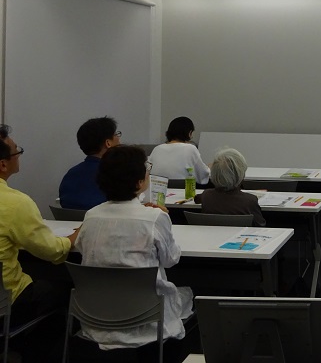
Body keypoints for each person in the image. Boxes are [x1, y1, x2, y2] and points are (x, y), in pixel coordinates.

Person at [76, 145, 193, 356]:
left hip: (97, 318)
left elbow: (82, 248)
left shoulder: (91, 216)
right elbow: (171, 259)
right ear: (139, 182)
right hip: (148, 319)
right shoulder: (155, 217)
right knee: (189, 294)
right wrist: (164, 220)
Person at [0, 124, 79, 362]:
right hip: (8, 303)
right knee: (67, 289)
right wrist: (74, 238)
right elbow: (51, 251)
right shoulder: (16, 203)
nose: (19, 155)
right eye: (17, 151)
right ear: (3, 164)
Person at [58, 116, 121, 210]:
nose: (119, 139)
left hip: (72, 220)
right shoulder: (116, 173)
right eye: (116, 134)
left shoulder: (71, 174)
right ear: (108, 143)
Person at [194, 148, 266, 226]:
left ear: (214, 173)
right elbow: (260, 225)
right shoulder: (250, 201)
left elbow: (197, 198)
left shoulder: (206, 196)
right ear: (241, 175)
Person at [149, 116, 210, 184]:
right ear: (189, 133)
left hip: (157, 188)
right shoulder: (190, 148)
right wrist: (210, 168)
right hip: (183, 188)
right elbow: (202, 175)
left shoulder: (157, 149)